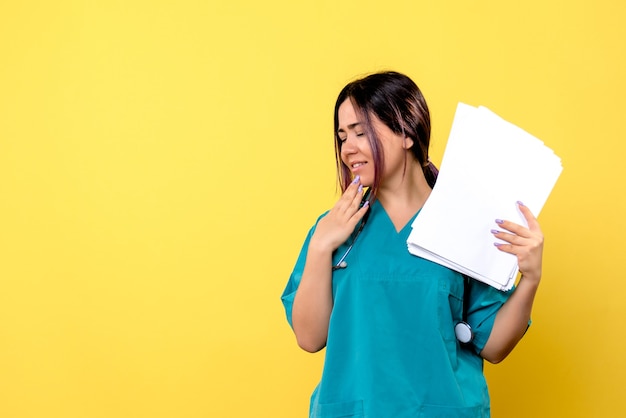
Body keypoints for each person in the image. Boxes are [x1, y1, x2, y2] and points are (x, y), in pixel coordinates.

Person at [281, 71, 544, 417]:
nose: (348, 148)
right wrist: (319, 248)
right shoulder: (334, 230)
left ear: (406, 130)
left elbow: (494, 346)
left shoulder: (463, 224)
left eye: (361, 132)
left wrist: (531, 279)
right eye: (342, 137)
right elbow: (309, 338)